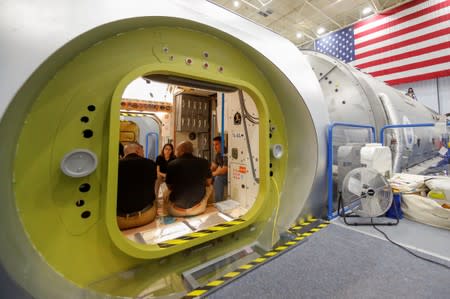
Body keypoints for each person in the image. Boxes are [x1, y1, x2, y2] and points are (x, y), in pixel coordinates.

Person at [164, 141, 213, 217]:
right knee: (210, 187)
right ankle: (210, 209)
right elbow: (209, 182)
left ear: (182, 151)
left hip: (176, 211)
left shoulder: (172, 164)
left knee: (166, 192)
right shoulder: (204, 162)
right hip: (198, 208)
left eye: (176, 150)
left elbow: (169, 186)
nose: (175, 153)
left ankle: (165, 216)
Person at [116, 142, 157, 230]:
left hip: (119, 219)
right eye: (143, 150)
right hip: (146, 215)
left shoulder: (115, 166)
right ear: (138, 150)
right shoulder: (150, 164)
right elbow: (153, 188)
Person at [211, 136, 228, 202]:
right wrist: (206, 173)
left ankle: (218, 202)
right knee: (206, 177)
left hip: (230, 177)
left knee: (218, 178)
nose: (215, 147)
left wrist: (212, 174)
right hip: (223, 175)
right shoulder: (218, 154)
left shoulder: (226, 153)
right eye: (214, 145)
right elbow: (213, 166)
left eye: (217, 144)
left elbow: (224, 170)